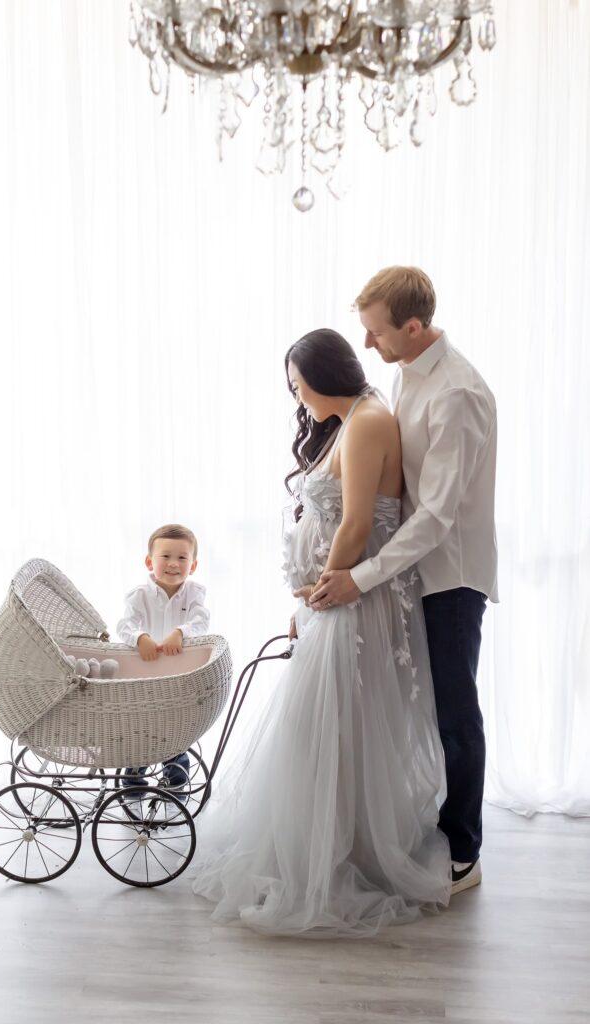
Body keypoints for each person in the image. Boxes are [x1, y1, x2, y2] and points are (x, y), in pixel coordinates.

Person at [191, 329, 450, 937]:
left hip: (355, 601)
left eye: (296, 381)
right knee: (329, 728)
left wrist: (326, 591)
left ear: (320, 374)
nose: (295, 394)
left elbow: (358, 520)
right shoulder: (354, 420)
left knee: (333, 728)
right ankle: (329, 846)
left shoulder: (366, 421)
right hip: (341, 598)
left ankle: (337, 858)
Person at [310, 267, 497, 895]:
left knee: (453, 712)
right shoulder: (406, 376)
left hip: (451, 575)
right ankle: (423, 830)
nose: (367, 346)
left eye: (376, 332)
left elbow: (438, 517)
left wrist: (358, 577)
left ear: (412, 327)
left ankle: (464, 852)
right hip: (408, 572)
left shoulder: (457, 394)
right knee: (420, 708)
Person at [117, 523, 210, 789]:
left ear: (192, 566)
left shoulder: (194, 594)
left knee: (175, 732)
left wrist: (181, 632)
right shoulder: (139, 595)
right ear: (150, 561)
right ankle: (133, 782)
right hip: (144, 674)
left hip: (179, 676)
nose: (173, 563)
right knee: (143, 729)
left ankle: (175, 786)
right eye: (165, 556)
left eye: (182, 558)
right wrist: (140, 638)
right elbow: (125, 625)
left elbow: (201, 621)